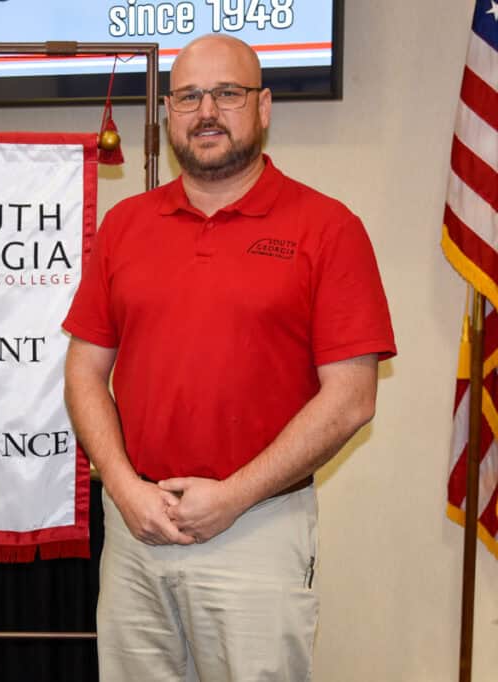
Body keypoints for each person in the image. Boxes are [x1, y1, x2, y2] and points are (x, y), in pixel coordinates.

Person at [62, 35, 395, 681]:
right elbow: (84, 371)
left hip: (257, 528)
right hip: (136, 529)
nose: (206, 110)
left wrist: (233, 497)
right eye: (187, 96)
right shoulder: (127, 224)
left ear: (263, 106)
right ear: (167, 114)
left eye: (227, 93)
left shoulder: (328, 228)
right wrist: (125, 488)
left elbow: (352, 397)